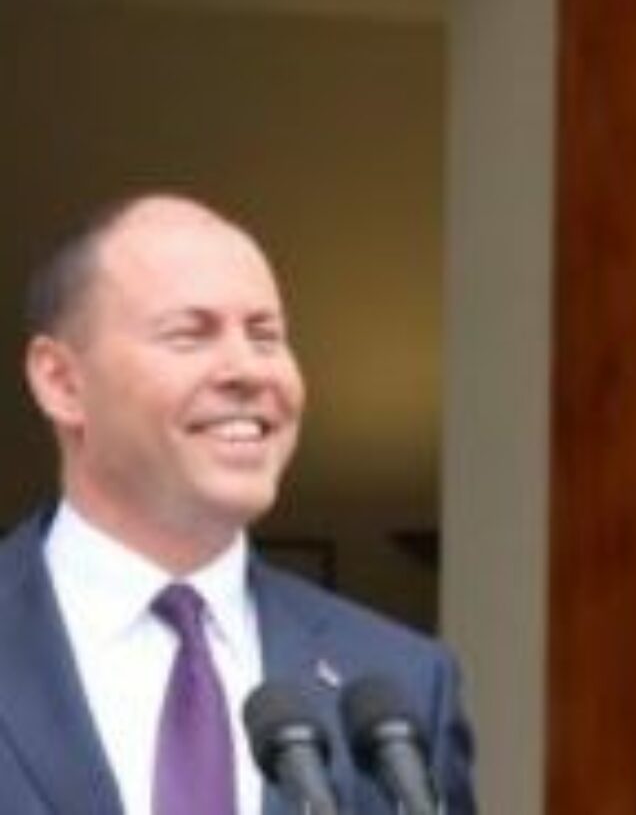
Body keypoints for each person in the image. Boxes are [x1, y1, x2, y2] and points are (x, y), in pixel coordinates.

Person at [0, 193, 475, 814]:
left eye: (265, 336)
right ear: (62, 382)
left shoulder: (399, 684)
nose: (248, 370)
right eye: (189, 335)